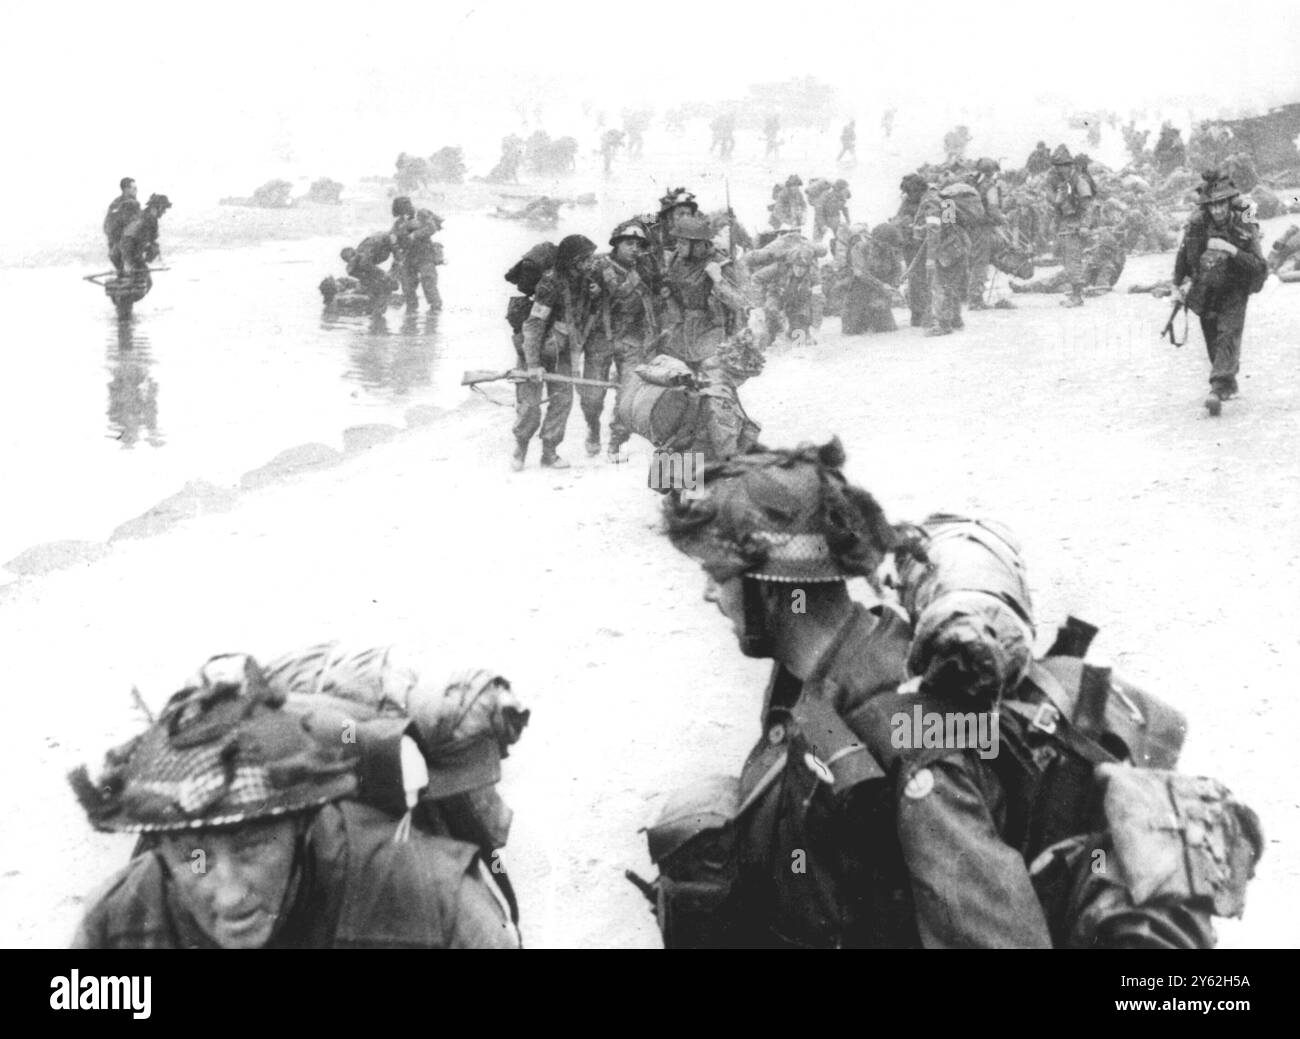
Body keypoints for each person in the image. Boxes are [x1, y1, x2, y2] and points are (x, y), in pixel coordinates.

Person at [643, 441, 1263, 948]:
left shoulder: (912, 734)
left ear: (775, 589)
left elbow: (993, 936)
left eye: (716, 575)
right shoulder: (822, 675)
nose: (708, 595)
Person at [68, 653, 520, 948]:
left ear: (303, 824)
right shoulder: (117, 924)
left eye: (250, 847)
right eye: (195, 856)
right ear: (162, 850)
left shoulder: (433, 900)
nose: (228, 895)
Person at [659, 215, 758, 461]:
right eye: (678, 242)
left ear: (700, 244)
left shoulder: (721, 263)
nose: (679, 247)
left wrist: (718, 280)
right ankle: (679, 475)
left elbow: (741, 303)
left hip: (713, 337)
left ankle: (728, 462)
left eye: (684, 243)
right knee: (678, 404)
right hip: (680, 337)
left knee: (716, 404)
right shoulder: (675, 260)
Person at [1172, 171, 1268, 416]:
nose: (1217, 210)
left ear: (1229, 202)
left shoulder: (1245, 223)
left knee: (1228, 333)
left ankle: (1217, 388)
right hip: (1205, 288)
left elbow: (1259, 266)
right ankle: (1227, 383)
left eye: (1221, 204)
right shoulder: (1197, 225)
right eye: (1212, 206)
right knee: (1213, 337)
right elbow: (1183, 257)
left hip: (1235, 287)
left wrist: (1231, 250)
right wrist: (1177, 286)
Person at [512, 233, 598, 470]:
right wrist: (531, 365)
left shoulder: (585, 281)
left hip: (563, 352)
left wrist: (594, 294)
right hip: (536, 351)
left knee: (563, 402)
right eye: (587, 258)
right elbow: (534, 324)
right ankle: (520, 447)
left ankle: (549, 453)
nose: (591, 262)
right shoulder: (550, 283)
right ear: (574, 261)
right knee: (529, 407)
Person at [582, 223, 657, 461]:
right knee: (592, 397)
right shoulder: (598, 266)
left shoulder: (644, 268)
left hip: (632, 338)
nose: (634, 249)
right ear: (616, 244)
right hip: (600, 337)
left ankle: (616, 441)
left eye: (638, 245)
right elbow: (585, 295)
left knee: (628, 396)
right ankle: (593, 428)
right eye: (629, 244)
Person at [912, 180, 969, 336]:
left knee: (939, 285)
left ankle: (943, 325)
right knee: (951, 285)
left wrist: (930, 258)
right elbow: (950, 223)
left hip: (944, 250)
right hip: (958, 245)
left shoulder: (930, 202)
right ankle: (956, 320)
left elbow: (934, 229)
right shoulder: (944, 197)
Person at [1046, 145, 1095, 306]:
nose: (1059, 171)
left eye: (1061, 167)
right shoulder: (1063, 183)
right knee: (1068, 262)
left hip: (1076, 226)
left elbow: (1088, 206)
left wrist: (1085, 226)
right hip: (1065, 225)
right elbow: (1057, 203)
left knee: (1073, 261)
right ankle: (1075, 294)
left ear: (1069, 166)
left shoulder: (1079, 181)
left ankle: (1077, 296)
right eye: (1057, 168)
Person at [839, 222, 904, 334]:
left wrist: (895, 284)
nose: (889, 247)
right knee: (853, 331)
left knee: (886, 329)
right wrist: (882, 286)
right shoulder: (860, 248)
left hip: (879, 297)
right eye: (887, 244)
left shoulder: (888, 251)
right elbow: (861, 274)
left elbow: (897, 269)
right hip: (859, 296)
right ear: (878, 241)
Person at [966, 158, 1008, 309]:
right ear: (992, 171)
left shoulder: (972, 184)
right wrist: (1003, 219)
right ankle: (975, 300)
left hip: (969, 228)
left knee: (975, 262)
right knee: (981, 264)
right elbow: (993, 209)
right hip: (983, 229)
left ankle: (971, 296)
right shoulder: (990, 186)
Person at [894, 173, 931, 327]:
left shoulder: (935, 199)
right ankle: (918, 315)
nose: (909, 195)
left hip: (932, 244)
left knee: (933, 279)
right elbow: (898, 218)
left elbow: (949, 221)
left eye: (912, 192)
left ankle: (934, 313)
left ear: (920, 190)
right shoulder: (907, 201)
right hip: (912, 245)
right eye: (907, 192)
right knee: (915, 279)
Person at [117, 193, 172, 292]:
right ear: (156, 207)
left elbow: (150, 240)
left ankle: (125, 299)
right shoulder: (142, 219)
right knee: (140, 284)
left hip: (135, 255)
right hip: (129, 253)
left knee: (145, 283)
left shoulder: (151, 220)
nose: (164, 212)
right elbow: (127, 240)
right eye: (163, 209)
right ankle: (123, 298)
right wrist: (128, 262)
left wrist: (153, 248)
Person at [393, 208, 444, 310]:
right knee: (407, 284)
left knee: (428, 281)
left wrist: (414, 234)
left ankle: (435, 308)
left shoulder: (421, 214)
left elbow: (431, 228)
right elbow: (394, 237)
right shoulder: (398, 223)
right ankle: (411, 307)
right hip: (408, 256)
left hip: (425, 255)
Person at [104, 177, 141, 275]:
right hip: (120, 241)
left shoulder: (131, 203)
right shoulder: (119, 204)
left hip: (126, 244)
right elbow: (108, 224)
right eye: (134, 188)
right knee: (115, 256)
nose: (136, 190)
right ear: (126, 189)